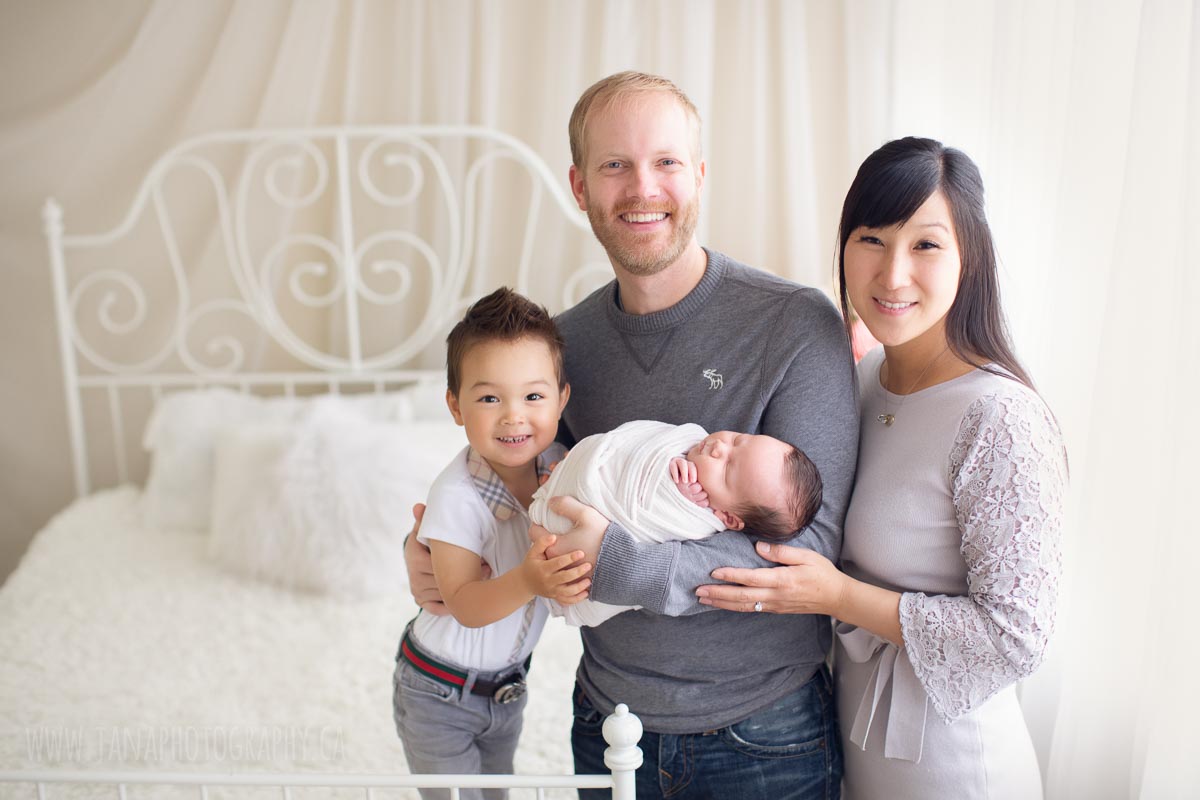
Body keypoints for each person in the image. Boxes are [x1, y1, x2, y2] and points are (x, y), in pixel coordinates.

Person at [408, 71, 858, 799]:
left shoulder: (795, 326)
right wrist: (435, 553)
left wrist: (617, 562)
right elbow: (518, 474)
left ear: (700, 177)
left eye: (666, 163)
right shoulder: (563, 347)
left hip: (765, 733)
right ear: (580, 187)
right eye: (615, 165)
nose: (642, 188)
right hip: (608, 726)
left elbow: (807, 552)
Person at [696, 137, 1068, 799]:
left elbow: (1016, 638)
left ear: (969, 257)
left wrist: (836, 595)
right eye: (871, 239)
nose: (893, 275)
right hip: (855, 757)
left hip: (957, 770)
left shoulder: (998, 417)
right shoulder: (861, 381)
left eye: (926, 245)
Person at [391, 287, 593, 800]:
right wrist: (528, 579)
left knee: (496, 790)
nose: (513, 416)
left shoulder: (562, 470)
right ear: (456, 407)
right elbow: (462, 603)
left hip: (506, 688)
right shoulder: (457, 495)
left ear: (561, 399)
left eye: (532, 396)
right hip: (438, 691)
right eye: (488, 398)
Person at [529, 419, 823, 626]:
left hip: (581, 550)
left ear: (728, 518)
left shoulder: (697, 517)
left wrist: (673, 489)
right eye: (738, 440)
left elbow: (650, 510)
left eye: (727, 468)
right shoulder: (695, 449)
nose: (720, 447)